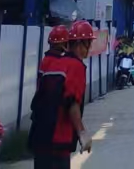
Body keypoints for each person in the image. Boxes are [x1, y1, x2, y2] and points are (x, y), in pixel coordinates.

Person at [28, 25, 88, 169]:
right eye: (88, 43)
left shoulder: (53, 62)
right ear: (80, 44)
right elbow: (72, 103)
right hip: (58, 137)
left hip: (40, 135)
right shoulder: (75, 66)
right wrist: (82, 133)